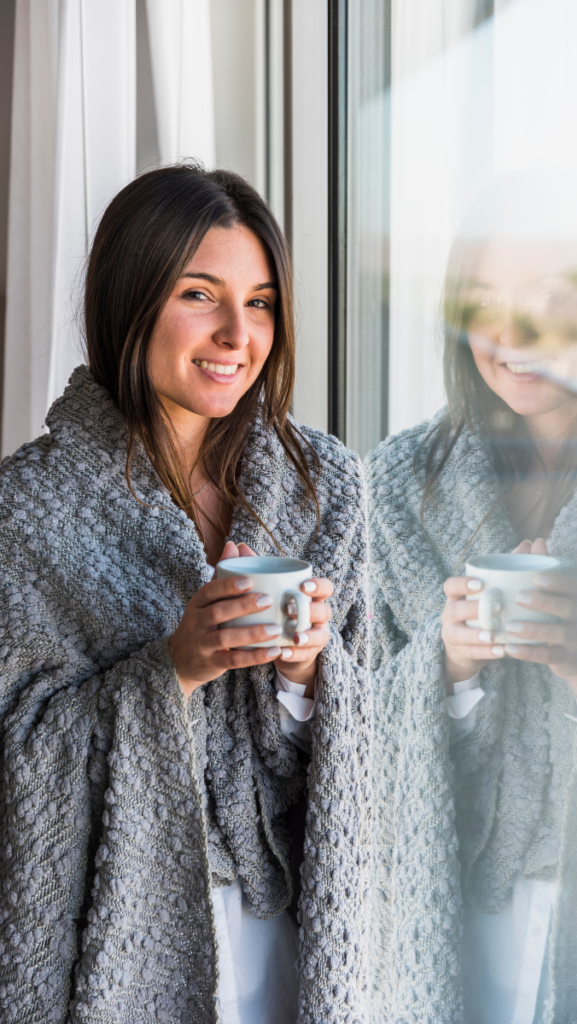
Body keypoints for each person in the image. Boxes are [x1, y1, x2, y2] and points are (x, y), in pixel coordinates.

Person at [0, 166, 369, 1024]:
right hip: (114, 934)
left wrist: (310, 674)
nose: (238, 334)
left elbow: (376, 733)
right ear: (129, 298)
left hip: (296, 939)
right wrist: (173, 668)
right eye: (200, 294)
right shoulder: (26, 510)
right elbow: (17, 754)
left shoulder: (329, 489)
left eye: (263, 302)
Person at [367, 233, 577, 1023]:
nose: (514, 338)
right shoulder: (398, 484)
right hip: (440, 907)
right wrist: (446, 667)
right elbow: (343, 729)